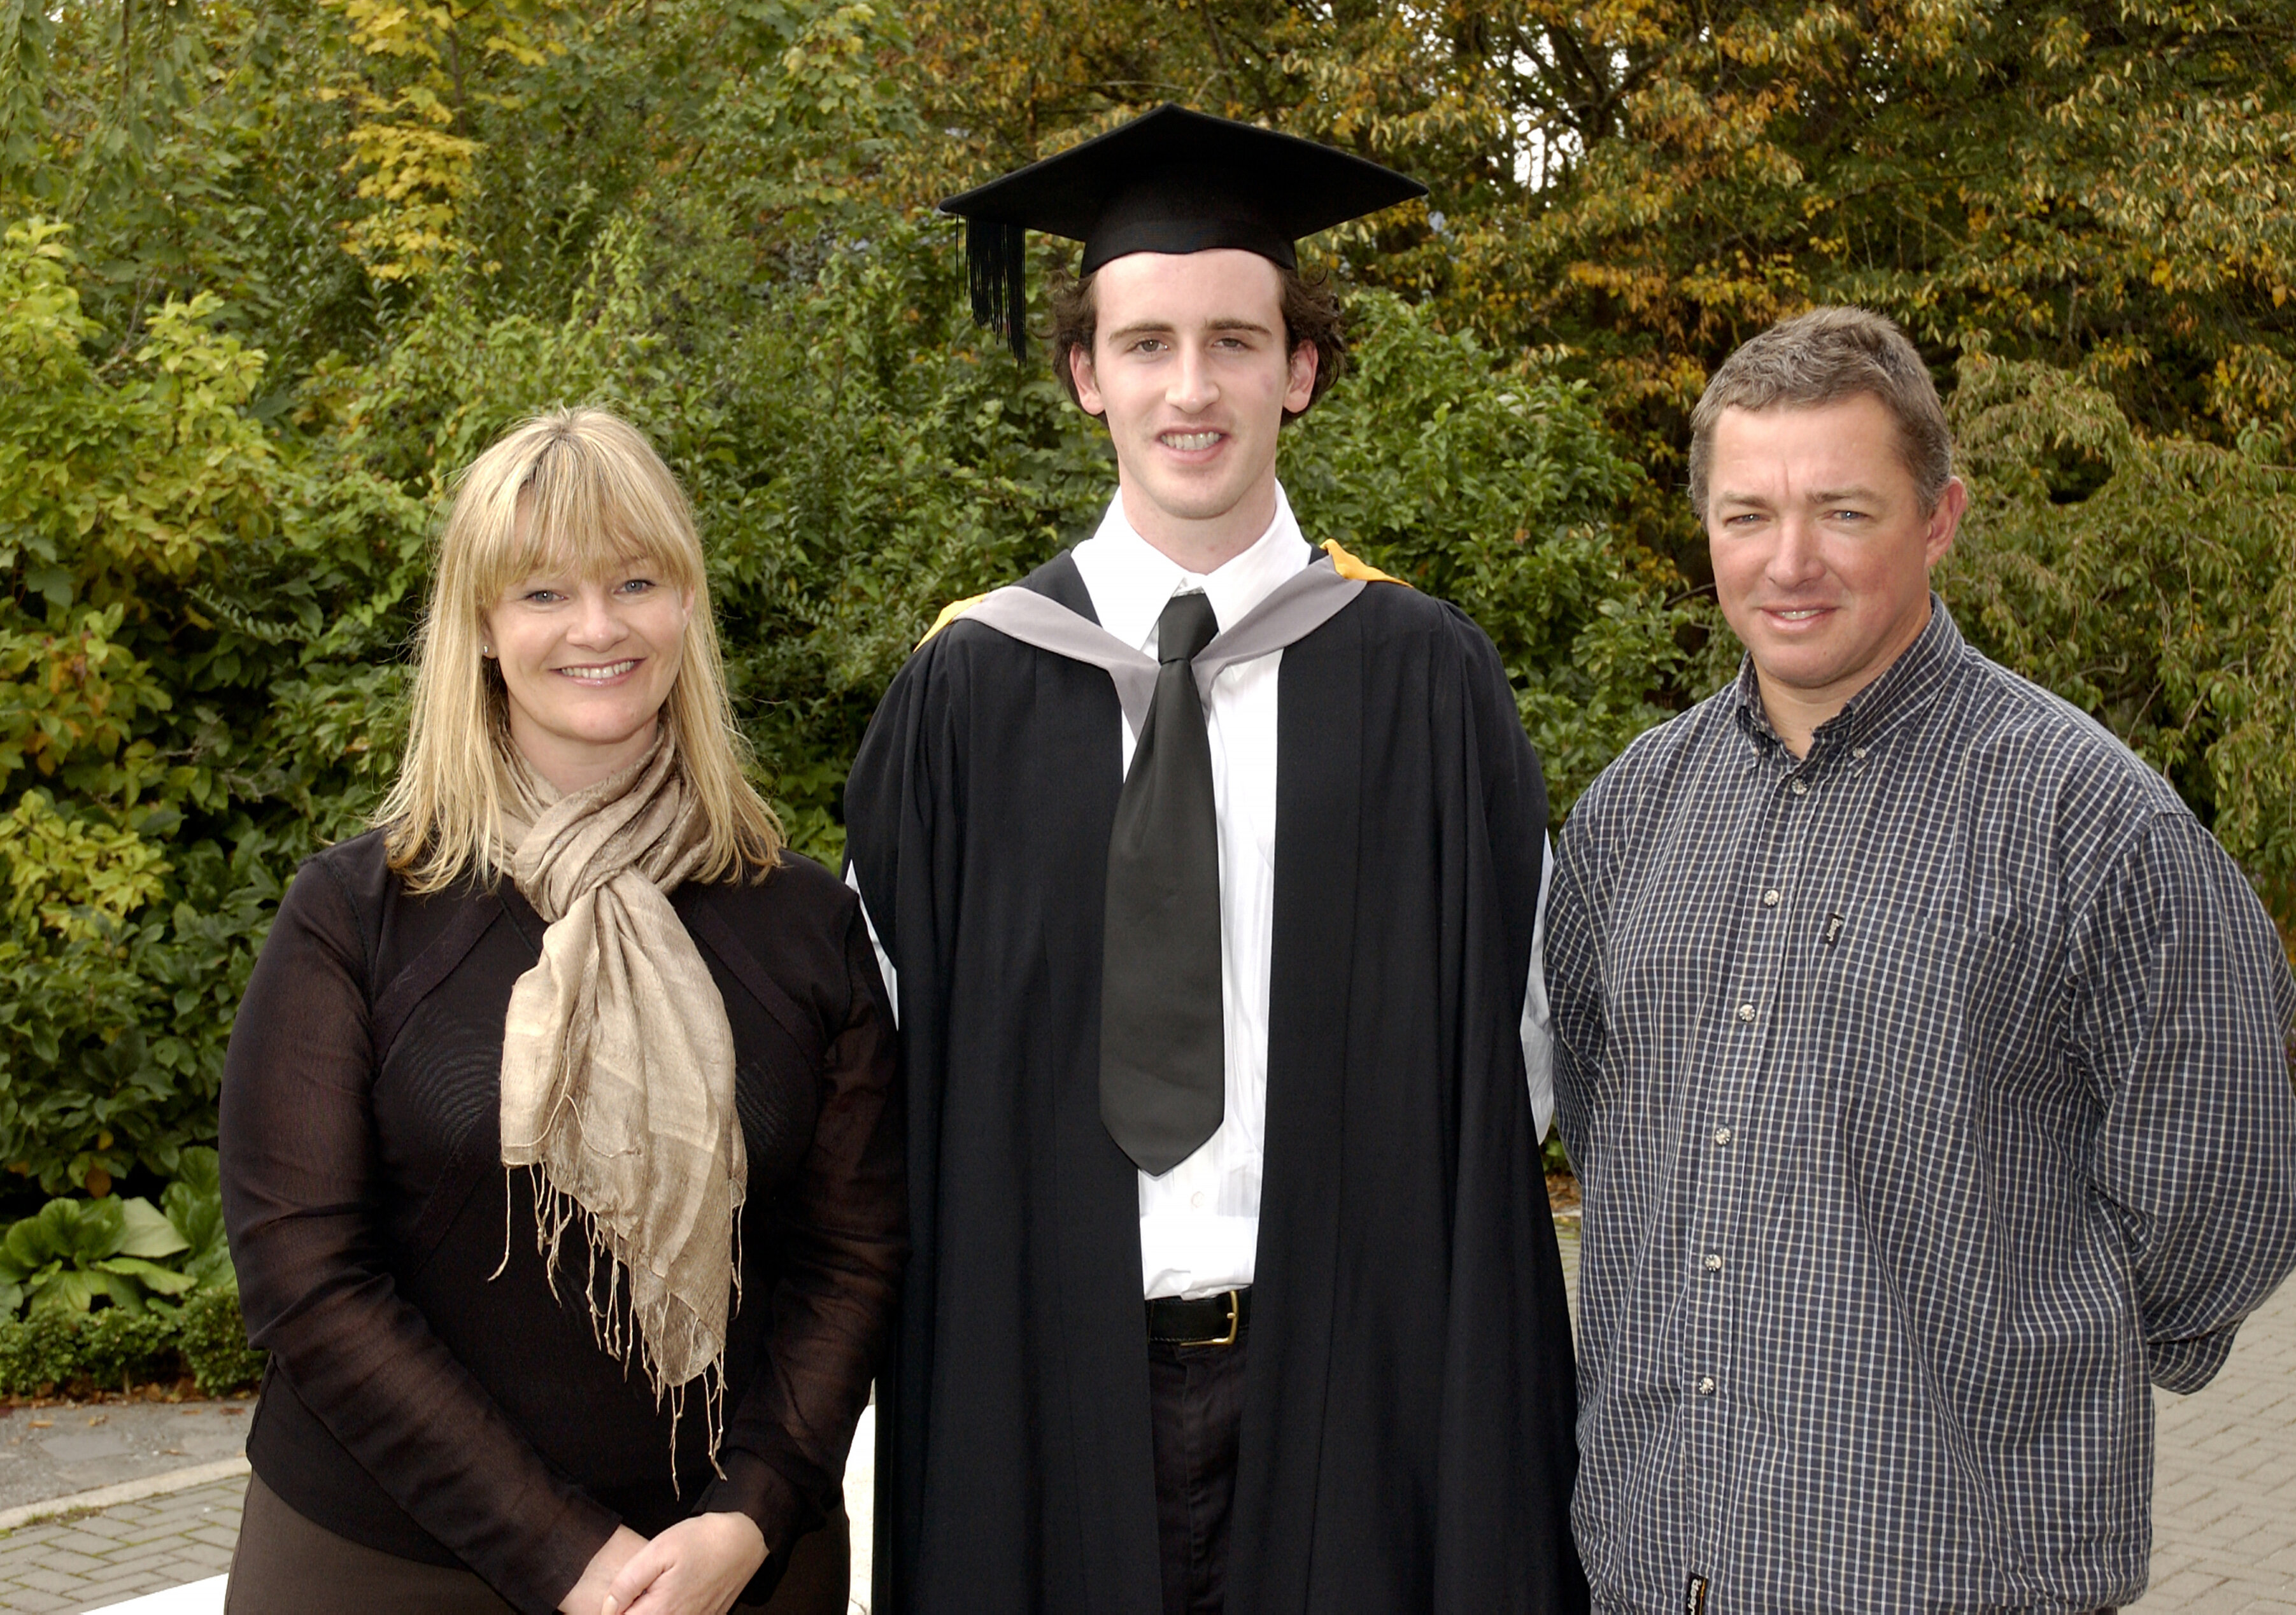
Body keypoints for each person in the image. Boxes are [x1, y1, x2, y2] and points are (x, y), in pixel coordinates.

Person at [842, 105, 1584, 1615]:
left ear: (1297, 371)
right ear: (1082, 377)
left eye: (1235, 341)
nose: (1192, 387)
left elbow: (1522, 1054)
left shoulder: (1423, 681)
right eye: (1146, 343)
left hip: (1354, 1383)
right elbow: (874, 1070)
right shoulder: (969, 692)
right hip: (1037, 1385)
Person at [1542, 306, 2296, 1614]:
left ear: (1938, 518)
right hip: (1652, 1558)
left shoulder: (2097, 827)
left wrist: (2023, 1350)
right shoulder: (1631, 812)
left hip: (1947, 1567)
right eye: (1746, 515)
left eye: (1842, 511)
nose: (1788, 562)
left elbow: (2224, 1204)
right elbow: (1608, 1124)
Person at [220, 407, 905, 1615]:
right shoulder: (359, 914)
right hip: (388, 1566)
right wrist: (568, 1555)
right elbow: (306, 1273)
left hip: (734, 1572)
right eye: (543, 592)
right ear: (483, 629)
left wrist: (751, 1513)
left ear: (684, 606)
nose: (597, 627)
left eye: (635, 580)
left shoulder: (799, 919)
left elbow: (853, 1256)